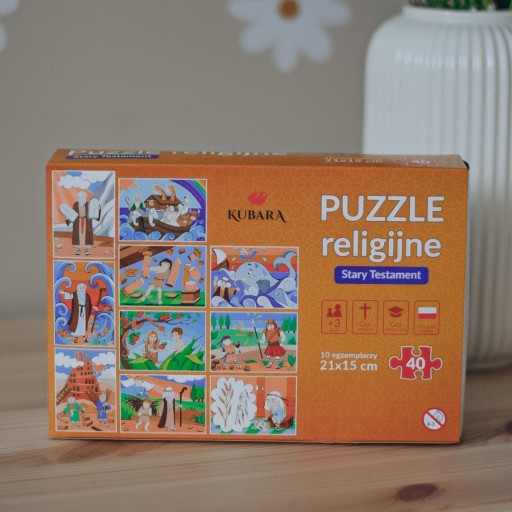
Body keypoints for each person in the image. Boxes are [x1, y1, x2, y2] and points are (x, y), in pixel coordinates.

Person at [69, 191, 100, 256]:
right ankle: (78, 249)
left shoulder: (88, 204)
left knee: (86, 235)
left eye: (82, 197)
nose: (81, 198)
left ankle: (86, 250)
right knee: (79, 236)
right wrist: (67, 218)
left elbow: (94, 213)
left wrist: (98, 209)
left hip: (86, 222)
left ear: (85, 198)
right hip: (78, 223)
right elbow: (71, 214)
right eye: (79, 197)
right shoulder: (75, 205)